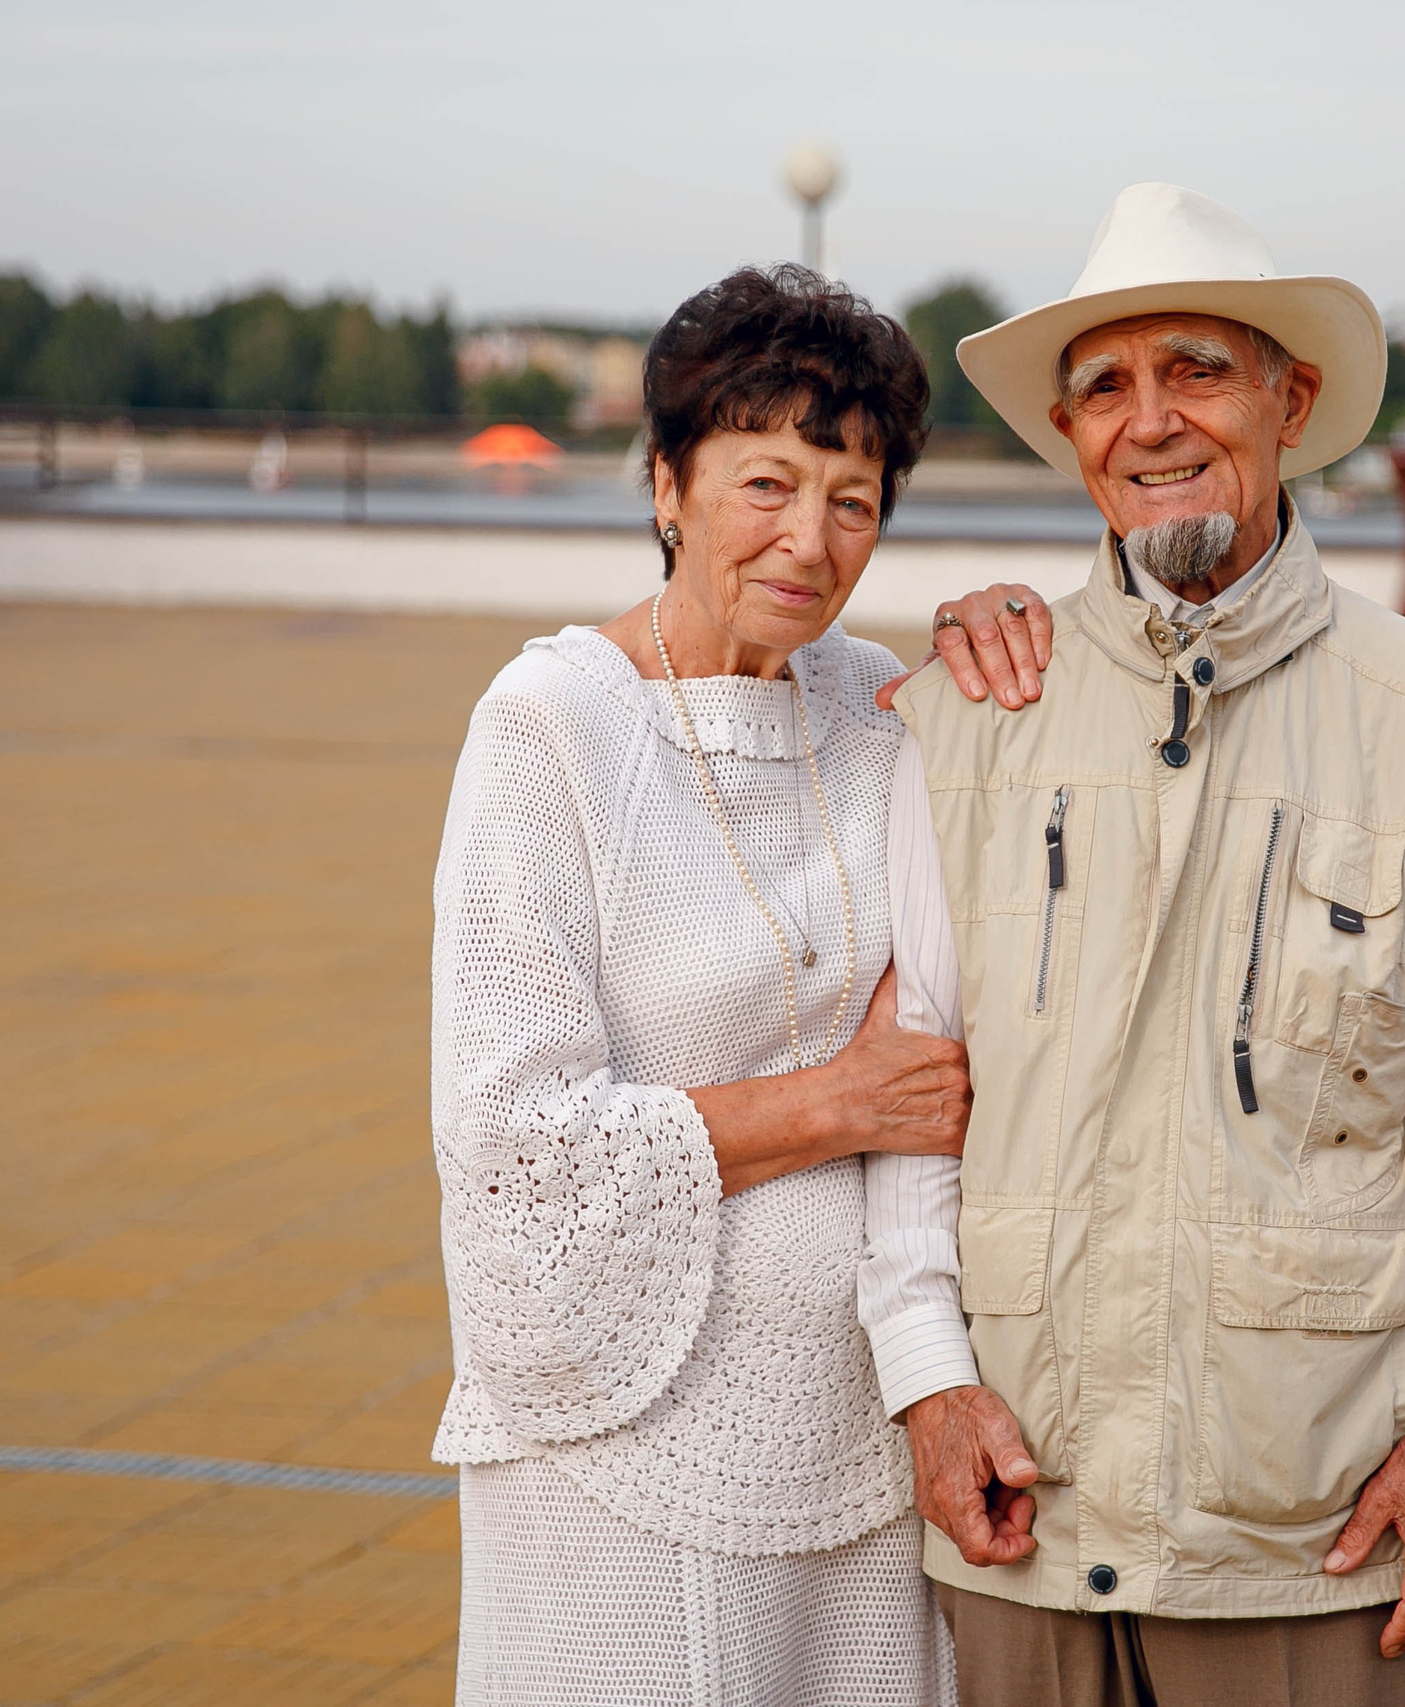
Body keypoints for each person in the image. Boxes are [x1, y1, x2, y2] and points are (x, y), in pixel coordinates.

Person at [862, 185, 1405, 1707]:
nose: (1152, 423)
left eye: (1195, 370)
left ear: (1289, 401)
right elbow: (915, 1102)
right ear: (1070, 438)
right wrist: (927, 1379)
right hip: (1020, 1513)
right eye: (1107, 389)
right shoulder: (965, 717)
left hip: (1314, 1526)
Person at [430, 264, 1053, 1707]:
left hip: (864, 1437)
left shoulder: (886, 709)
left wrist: (1034, 650)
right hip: (618, 1451)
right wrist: (835, 1104)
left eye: (854, 497)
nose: (811, 539)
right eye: (765, 482)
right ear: (666, 482)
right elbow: (511, 1146)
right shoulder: (549, 730)